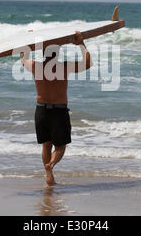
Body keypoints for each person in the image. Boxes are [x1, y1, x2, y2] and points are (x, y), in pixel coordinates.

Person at [20, 31, 92, 185]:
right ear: (58, 53)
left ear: (44, 53)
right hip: (59, 110)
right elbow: (87, 63)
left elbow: (23, 58)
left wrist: (26, 42)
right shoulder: (64, 66)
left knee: (46, 145)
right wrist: (81, 43)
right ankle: (51, 164)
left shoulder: (35, 66)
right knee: (60, 146)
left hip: (41, 110)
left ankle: (49, 174)